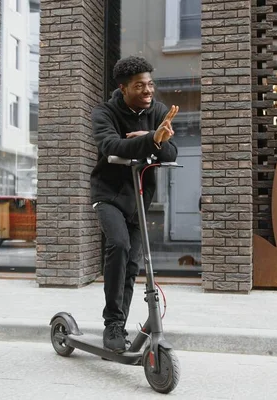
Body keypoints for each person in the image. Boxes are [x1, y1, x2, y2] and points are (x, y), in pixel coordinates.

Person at [90, 56, 178, 353]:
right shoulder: (104, 112)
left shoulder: (159, 112)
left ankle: (120, 325)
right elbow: (111, 146)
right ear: (123, 88)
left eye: (150, 84)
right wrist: (153, 139)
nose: (148, 91)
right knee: (119, 246)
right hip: (110, 194)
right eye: (140, 86)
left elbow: (171, 152)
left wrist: (157, 140)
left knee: (132, 264)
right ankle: (112, 324)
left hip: (140, 197)